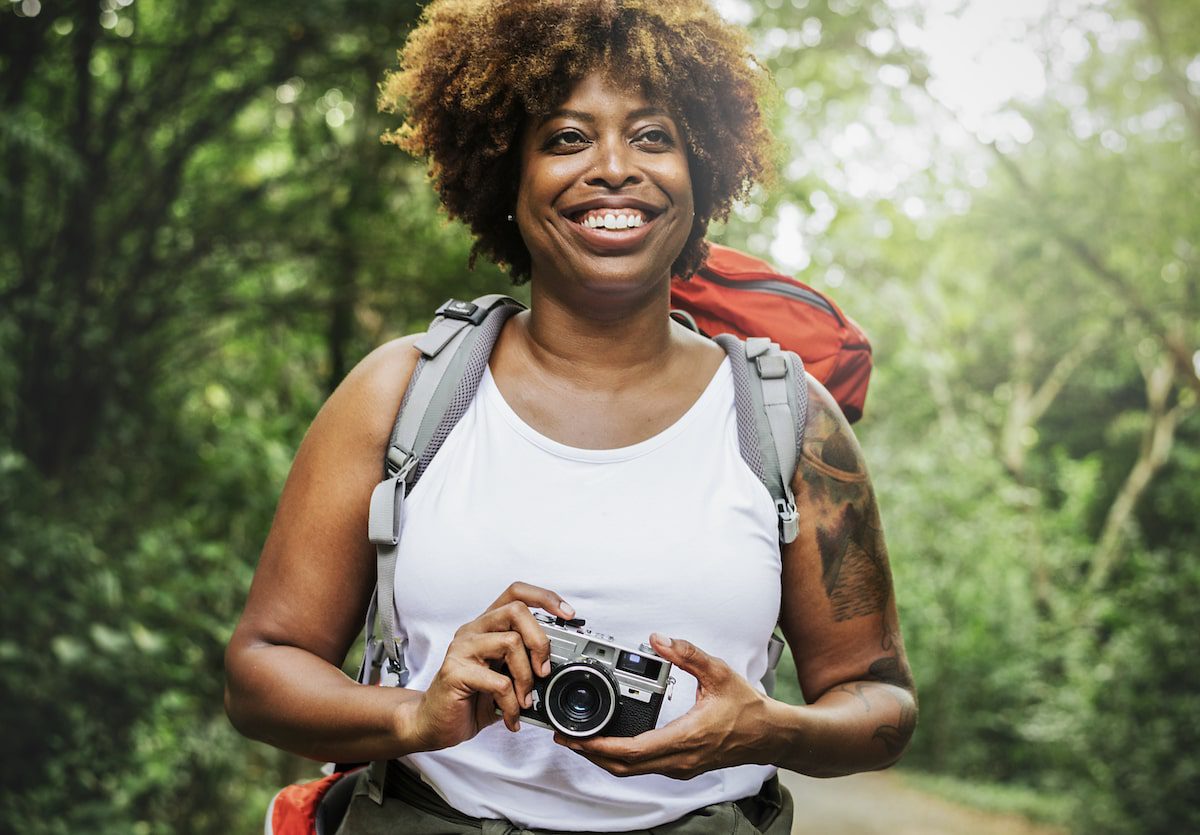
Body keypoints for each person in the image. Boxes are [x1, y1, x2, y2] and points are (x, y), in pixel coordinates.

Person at [224, 1, 917, 832]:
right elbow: (260, 670)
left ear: (702, 174)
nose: (615, 167)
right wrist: (411, 714)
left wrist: (772, 729)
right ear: (504, 177)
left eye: (653, 136)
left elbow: (882, 703)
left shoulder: (787, 421)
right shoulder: (402, 393)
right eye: (565, 138)